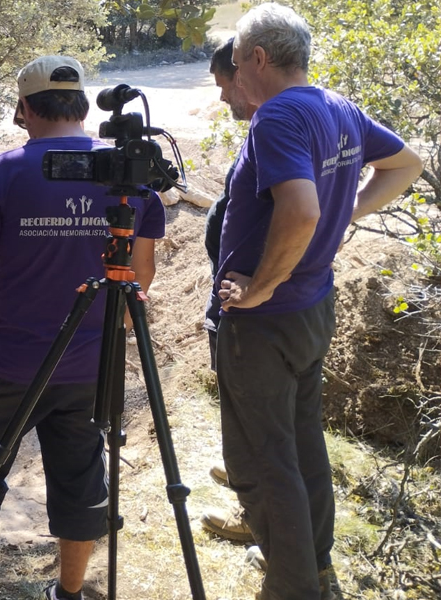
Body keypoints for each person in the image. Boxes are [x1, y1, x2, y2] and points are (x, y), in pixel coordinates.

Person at [0, 55, 165, 600]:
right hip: (92, 364)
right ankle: (69, 592)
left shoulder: (5, 171)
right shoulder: (130, 173)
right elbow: (142, 275)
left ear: (24, 109)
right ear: (83, 108)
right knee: (81, 480)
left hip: (5, 360)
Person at [215, 4, 423, 600]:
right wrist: (347, 211)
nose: (236, 77)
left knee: (261, 457)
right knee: (302, 443)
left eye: (236, 64)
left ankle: (293, 588)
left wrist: (262, 286)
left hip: (268, 320)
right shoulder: (336, 106)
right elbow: (406, 165)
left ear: (257, 58)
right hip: (311, 310)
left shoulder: (279, 115)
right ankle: (316, 568)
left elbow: (302, 211)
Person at [199, 37, 260, 547]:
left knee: (258, 418)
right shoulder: (271, 127)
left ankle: (254, 511)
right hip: (235, 300)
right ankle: (245, 476)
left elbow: (302, 214)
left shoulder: (280, 127)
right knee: (240, 411)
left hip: (252, 309)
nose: (222, 97)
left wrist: (259, 284)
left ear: (248, 69)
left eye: (224, 82)